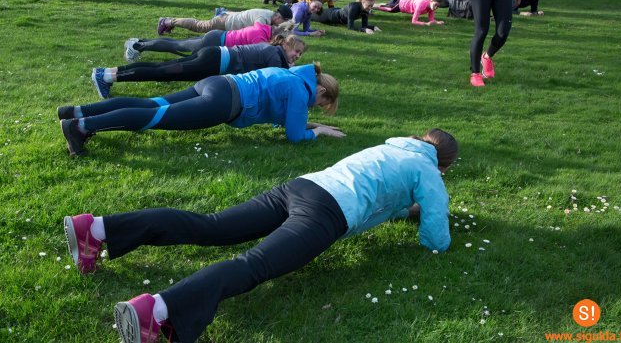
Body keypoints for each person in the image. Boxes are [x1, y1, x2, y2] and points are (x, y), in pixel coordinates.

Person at [63, 128, 458, 343]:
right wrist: (432, 225)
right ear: (444, 166)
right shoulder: (428, 172)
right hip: (326, 213)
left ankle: (95, 229)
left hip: (300, 188)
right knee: (254, 265)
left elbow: (381, 195)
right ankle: (156, 310)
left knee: (210, 225)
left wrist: (406, 210)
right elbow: (436, 234)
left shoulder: (392, 148)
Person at [58, 63, 342, 156]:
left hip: (217, 84)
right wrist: (318, 133)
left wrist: (313, 125)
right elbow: (294, 135)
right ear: (320, 92)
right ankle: (79, 128)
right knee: (153, 117)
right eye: (321, 106)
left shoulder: (293, 76)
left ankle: (76, 111)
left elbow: (289, 120)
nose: (314, 109)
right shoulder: (300, 91)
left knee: (152, 104)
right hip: (223, 103)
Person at [91, 35, 306, 99]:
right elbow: (277, 82)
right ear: (285, 45)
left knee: (161, 68)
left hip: (213, 55)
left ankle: (107, 73)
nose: (296, 56)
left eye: (300, 55)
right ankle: (106, 76)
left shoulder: (272, 50)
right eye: (296, 51)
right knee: (161, 71)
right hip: (212, 61)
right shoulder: (274, 55)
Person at [122, 20, 294, 61]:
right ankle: (137, 45)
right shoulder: (260, 37)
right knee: (177, 46)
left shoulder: (263, 28)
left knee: (178, 44)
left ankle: (140, 41)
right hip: (215, 41)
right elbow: (261, 54)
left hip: (217, 37)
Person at [157, 5, 293, 35]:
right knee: (199, 26)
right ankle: (167, 21)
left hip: (228, 18)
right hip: (224, 23)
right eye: (283, 22)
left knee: (200, 26)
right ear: (278, 17)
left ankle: (170, 23)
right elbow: (258, 33)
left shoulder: (270, 15)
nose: (282, 25)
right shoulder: (263, 18)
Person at [311, 0, 381, 34]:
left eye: (371, 6)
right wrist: (365, 30)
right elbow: (350, 27)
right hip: (331, 16)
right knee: (311, 15)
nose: (370, 8)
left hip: (337, 10)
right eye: (368, 5)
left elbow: (364, 25)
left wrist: (373, 27)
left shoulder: (365, 10)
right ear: (363, 2)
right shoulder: (353, 8)